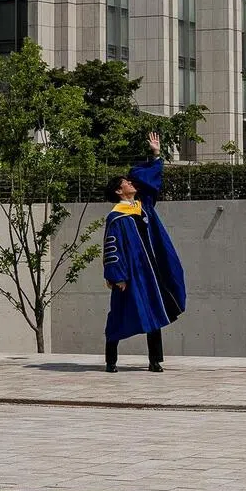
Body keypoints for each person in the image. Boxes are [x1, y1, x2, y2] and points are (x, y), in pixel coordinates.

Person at [102, 132, 186, 372]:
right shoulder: (116, 217)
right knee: (119, 315)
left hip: (151, 271)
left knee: (155, 310)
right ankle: (111, 360)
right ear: (119, 191)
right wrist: (117, 276)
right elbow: (112, 249)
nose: (131, 184)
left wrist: (156, 154)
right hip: (130, 274)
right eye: (126, 183)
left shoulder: (143, 206)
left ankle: (154, 360)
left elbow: (149, 181)